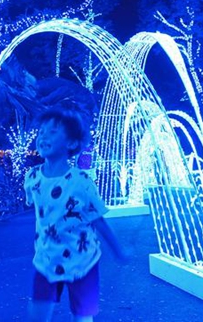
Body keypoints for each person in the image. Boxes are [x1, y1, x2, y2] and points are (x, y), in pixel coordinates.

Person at [24, 107, 127, 322]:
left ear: (71, 143)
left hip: (83, 261)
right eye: (41, 131)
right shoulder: (32, 177)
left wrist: (118, 250)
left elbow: (98, 220)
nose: (42, 136)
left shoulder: (81, 182)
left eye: (52, 132)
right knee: (37, 314)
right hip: (46, 259)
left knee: (82, 316)